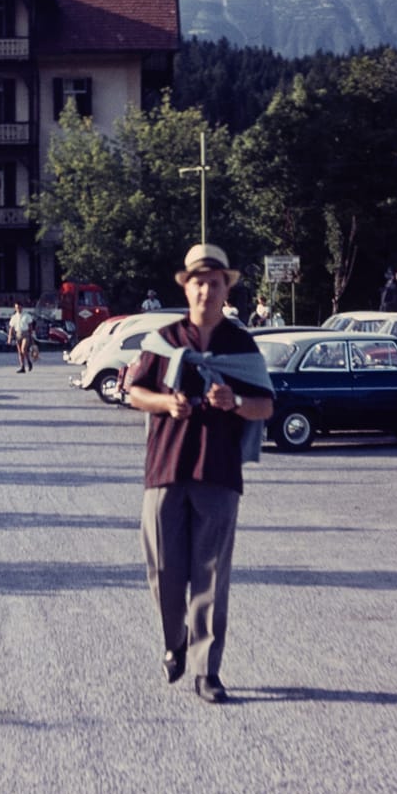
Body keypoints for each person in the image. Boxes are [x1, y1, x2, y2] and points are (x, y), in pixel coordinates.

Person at [123, 243, 275, 705]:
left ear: (226, 288)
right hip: (165, 467)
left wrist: (236, 404)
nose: (205, 290)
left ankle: (208, 670)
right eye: (198, 282)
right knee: (164, 570)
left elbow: (265, 404)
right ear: (185, 287)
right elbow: (133, 392)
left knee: (211, 576)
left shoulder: (240, 344)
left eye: (214, 283)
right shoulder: (164, 340)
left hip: (218, 470)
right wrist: (166, 402)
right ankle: (175, 641)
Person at [7, 301, 33, 373]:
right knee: (20, 352)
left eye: (19, 307)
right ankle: (22, 367)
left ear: (22, 307)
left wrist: (31, 336)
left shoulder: (27, 315)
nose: (18, 309)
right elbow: (11, 328)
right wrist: (9, 338)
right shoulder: (14, 317)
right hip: (18, 334)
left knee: (23, 349)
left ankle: (28, 361)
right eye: (16, 307)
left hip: (25, 334)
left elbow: (30, 326)